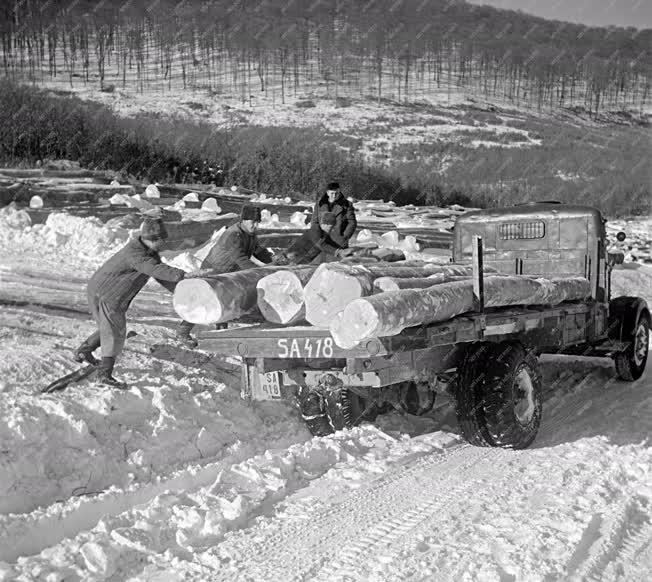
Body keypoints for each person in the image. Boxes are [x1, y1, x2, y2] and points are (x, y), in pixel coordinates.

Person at [74, 218, 193, 389]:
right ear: (154, 238)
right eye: (163, 239)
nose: (165, 243)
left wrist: (181, 290)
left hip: (109, 292)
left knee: (109, 327)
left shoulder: (148, 252)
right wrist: (184, 275)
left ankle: (83, 352)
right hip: (107, 293)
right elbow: (155, 269)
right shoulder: (135, 253)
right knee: (115, 332)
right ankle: (104, 375)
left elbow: (160, 274)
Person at [176, 204, 273, 347]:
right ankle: (182, 332)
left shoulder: (250, 234)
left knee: (225, 301)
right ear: (244, 220)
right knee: (203, 302)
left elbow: (258, 251)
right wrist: (260, 273)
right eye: (253, 222)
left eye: (258, 222)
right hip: (213, 271)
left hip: (227, 273)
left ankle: (221, 334)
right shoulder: (233, 235)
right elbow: (240, 259)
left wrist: (274, 261)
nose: (256, 225)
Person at [278, 212, 354, 265]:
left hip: (300, 261)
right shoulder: (315, 231)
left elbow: (330, 244)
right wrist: (339, 252)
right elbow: (321, 245)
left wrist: (343, 250)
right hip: (288, 259)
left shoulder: (324, 234)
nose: (332, 230)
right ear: (324, 224)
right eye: (330, 227)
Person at [310, 181, 357, 249]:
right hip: (322, 240)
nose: (334, 195)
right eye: (332, 193)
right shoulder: (319, 204)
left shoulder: (347, 204)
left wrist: (345, 236)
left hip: (339, 241)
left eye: (336, 193)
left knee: (338, 258)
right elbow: (314, 221)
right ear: (327, 192)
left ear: (339, 192)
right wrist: (316, 234)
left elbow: (352, 222)